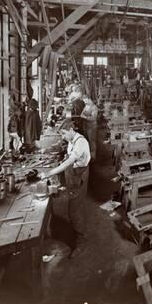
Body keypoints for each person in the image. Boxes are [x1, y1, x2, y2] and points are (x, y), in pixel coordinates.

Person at [39, 120, 91, 258]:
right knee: (74, 208)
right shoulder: (72, 140)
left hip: (78, 177)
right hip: (73, 176)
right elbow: (63, 149)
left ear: (70, 130)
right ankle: (78, 234)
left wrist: (50, 173)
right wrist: (48, 150)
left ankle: (82, 242)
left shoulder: (81, 143)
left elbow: (69, 161)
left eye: (63, 133)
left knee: (75, 211)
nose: (63, 136)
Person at [81, 95, 98, 160]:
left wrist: (85, 117)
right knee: (87, 141)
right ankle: (88, 156)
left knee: (92, 141)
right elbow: (81, 114)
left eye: (85, 100)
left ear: (89, 99)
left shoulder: (94, 107)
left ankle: (93, 157)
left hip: (92, 126)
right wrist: (85, 116)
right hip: (86, 125)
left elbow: (93, 118)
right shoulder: (86, 106)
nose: (84, 102)